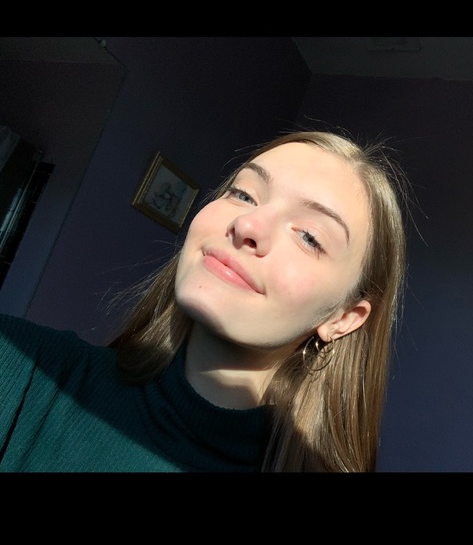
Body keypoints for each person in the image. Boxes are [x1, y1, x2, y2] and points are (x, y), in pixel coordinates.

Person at [0, 129, 408, 472]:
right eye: (244, 194)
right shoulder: (22, 368)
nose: (248, 224)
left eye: (309, 237)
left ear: (344, 318)